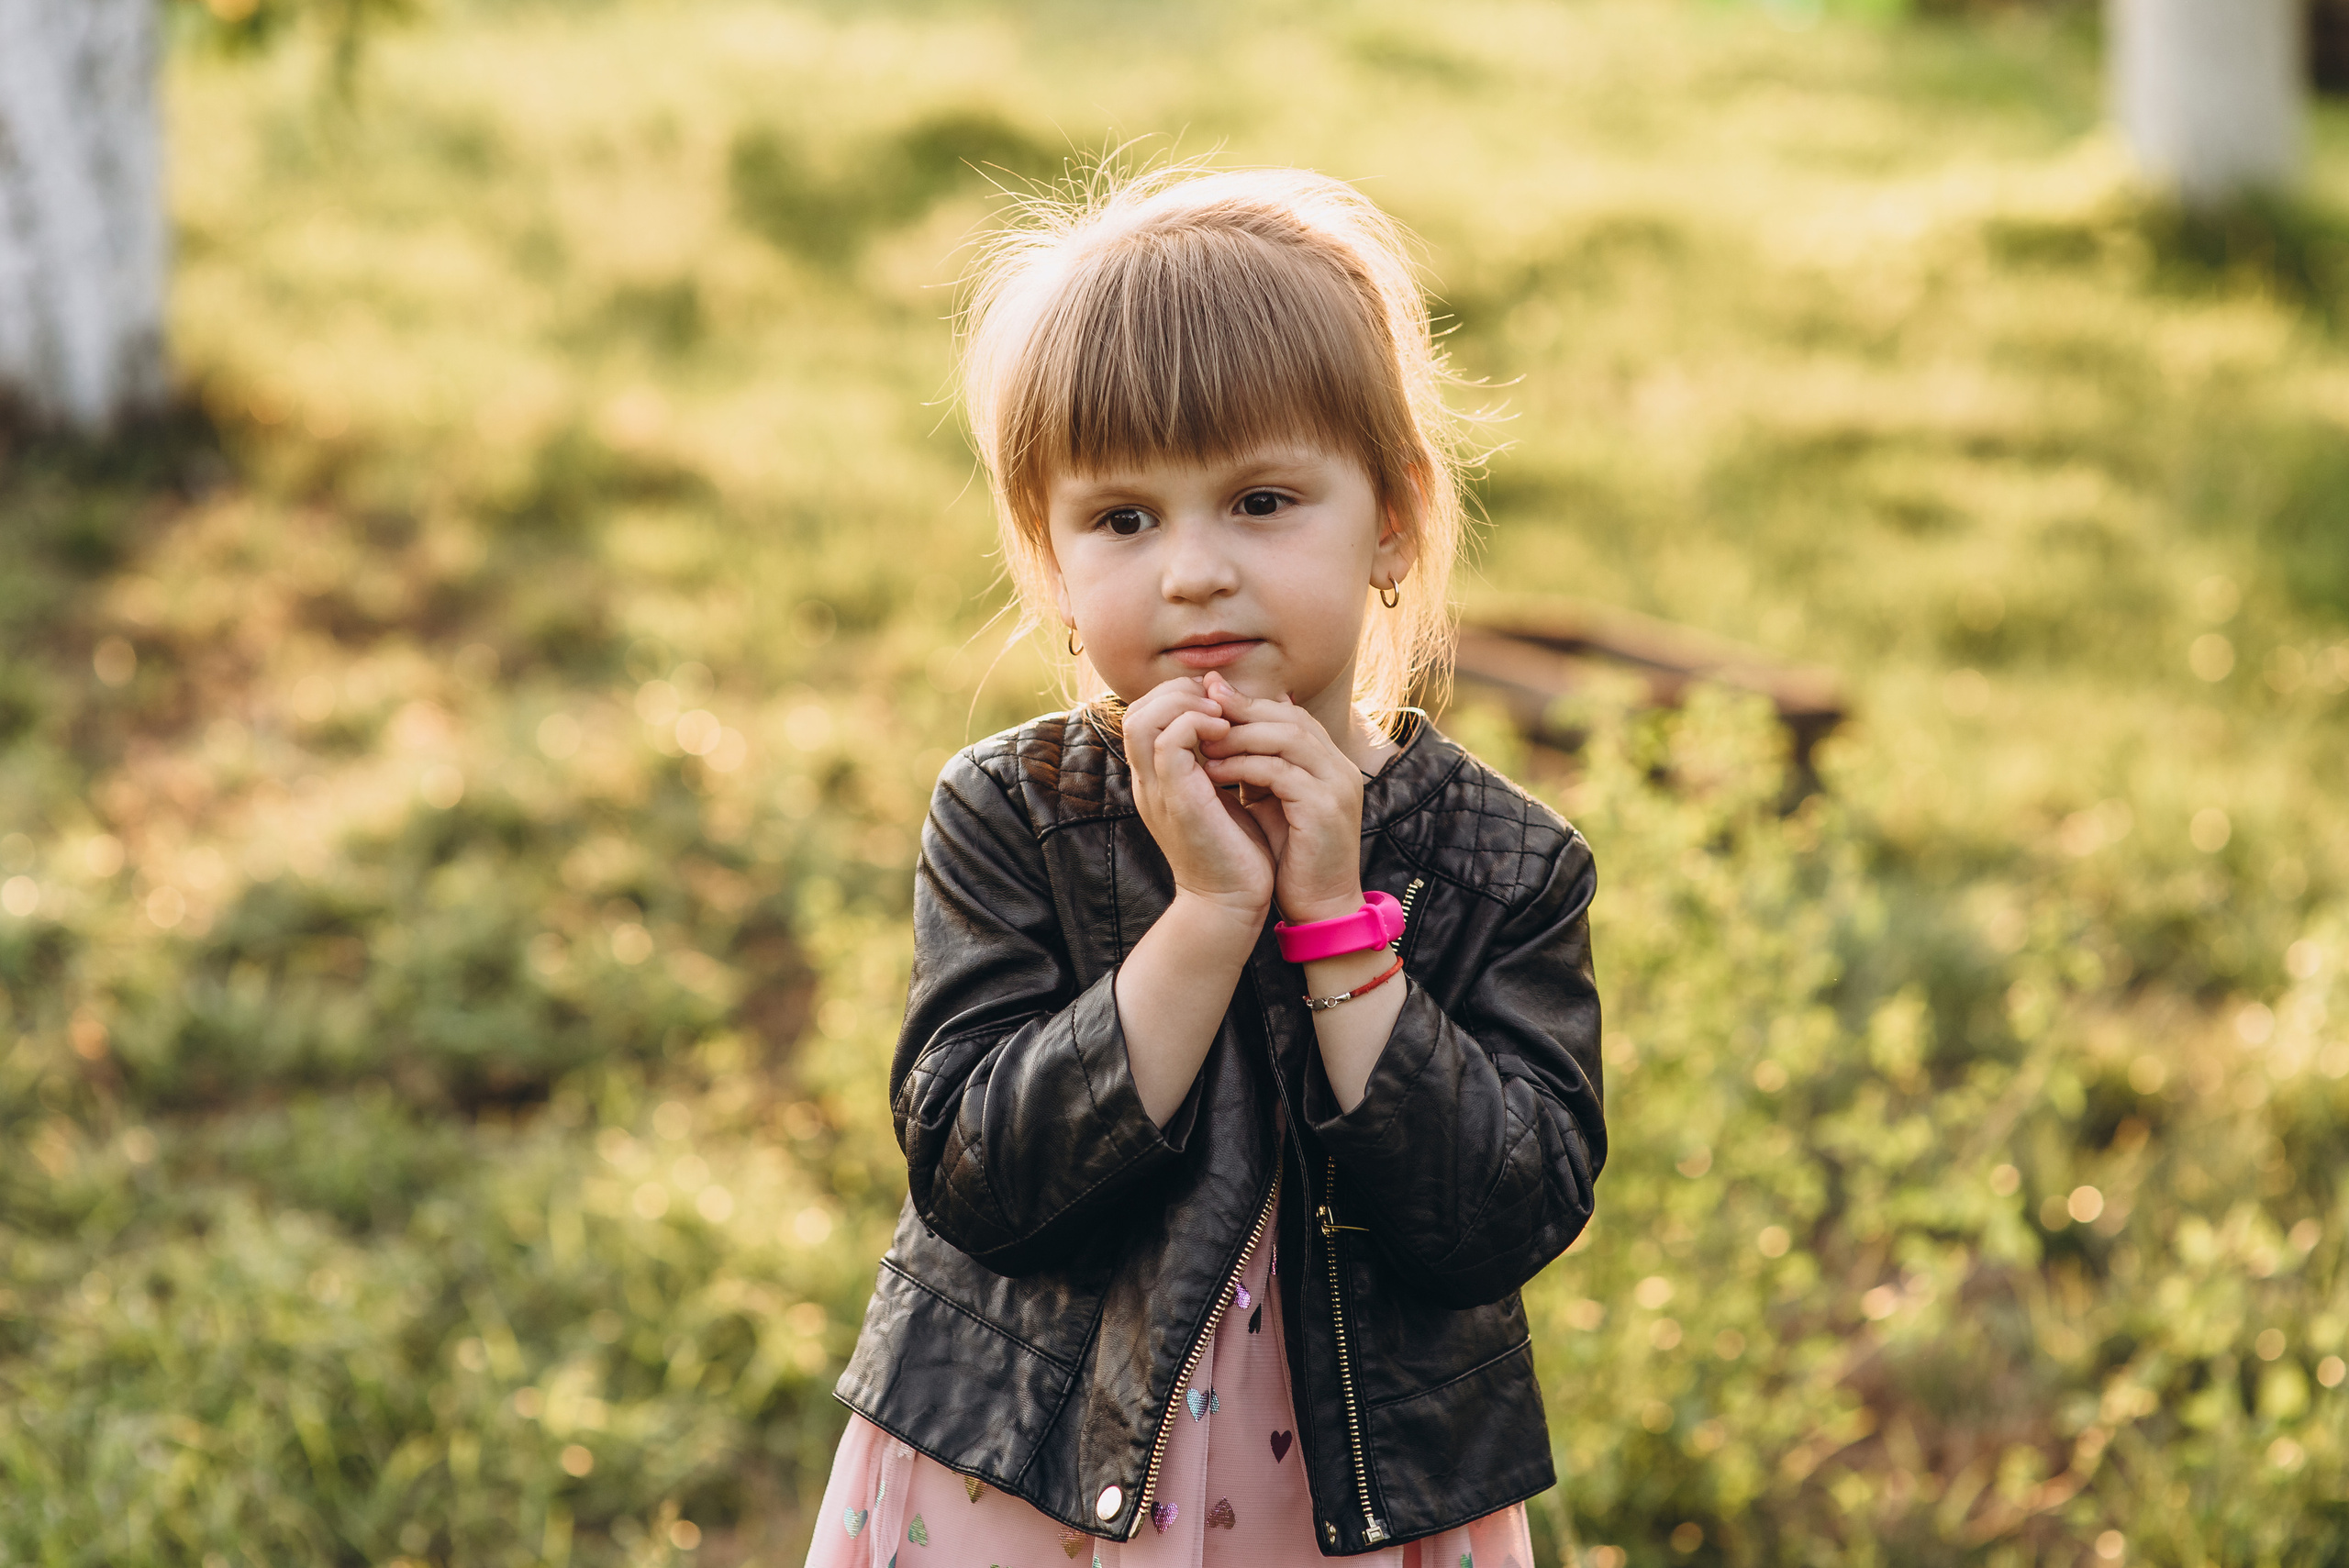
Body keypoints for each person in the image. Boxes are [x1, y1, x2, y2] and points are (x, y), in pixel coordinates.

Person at [808, 165, 1605, 1568]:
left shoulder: (1504, 866)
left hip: (1348, 1507)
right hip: (1029, 1486)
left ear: (1396, 519)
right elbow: (978, 1175)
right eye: (1123, 518)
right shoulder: (1013, 815)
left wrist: (1339, 932)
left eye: (1259, 500)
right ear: (1050, 561)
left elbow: (1504, 1215)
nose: (1190, 571)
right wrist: (1211, 912)